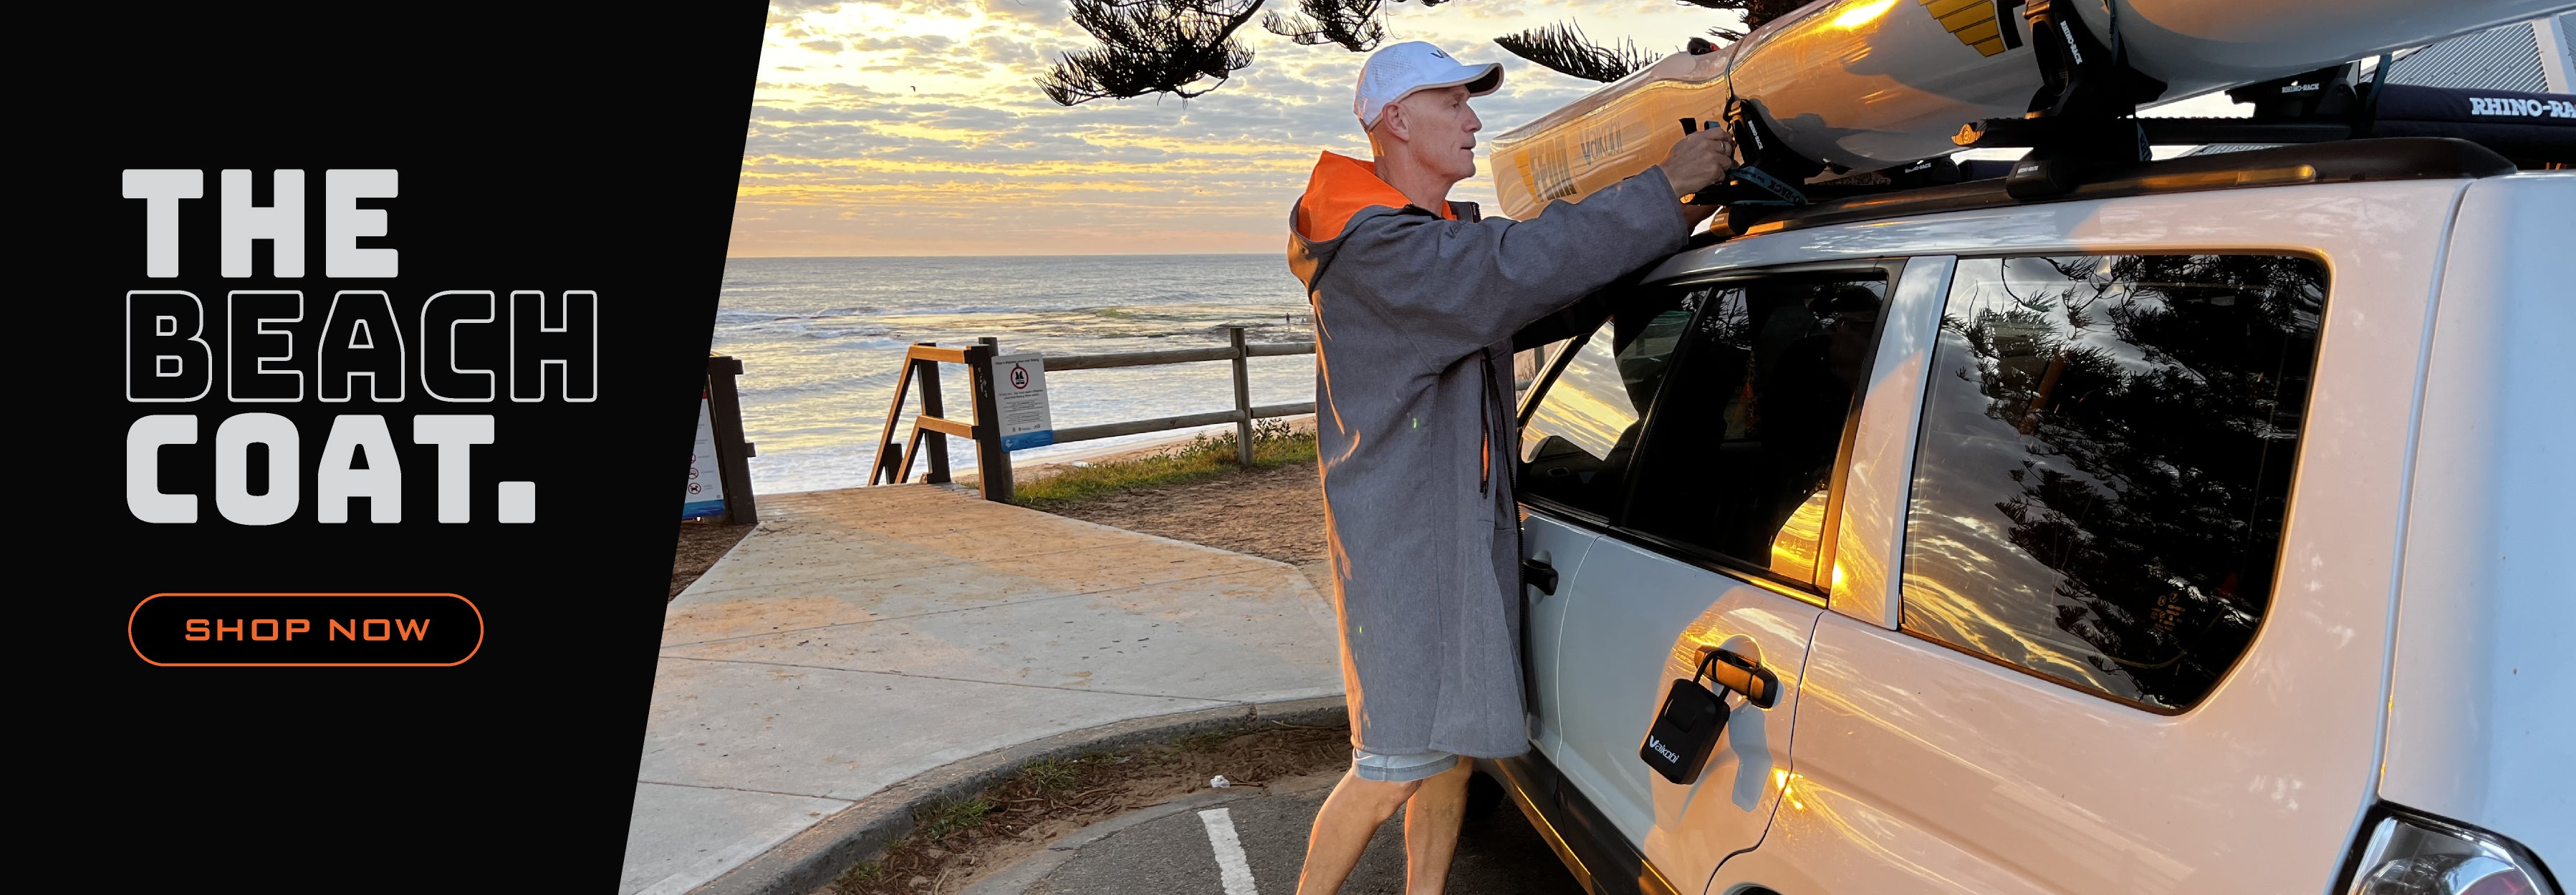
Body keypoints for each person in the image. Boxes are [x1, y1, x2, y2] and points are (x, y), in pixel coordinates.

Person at [1285, 39, 1736, 895]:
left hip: (1446, 536)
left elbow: (1541, 290)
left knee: (1449, 757)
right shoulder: (1382, 250)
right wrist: (1659, 187)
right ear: (1395, 121)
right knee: (1389, 764)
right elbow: (1509, 269)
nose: (1473, 120)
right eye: (1452, 104)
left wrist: (1678, 226)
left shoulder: (1432, 241)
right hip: (1407, 548)